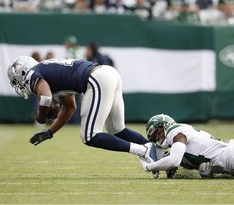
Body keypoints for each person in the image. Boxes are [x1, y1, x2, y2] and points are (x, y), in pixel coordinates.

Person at [7, 56, 157, 165]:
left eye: (16, 80)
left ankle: (143, 151)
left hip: (96, 78)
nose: (19, 85)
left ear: (22, 72)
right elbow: (70, 107)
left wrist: (41, 118)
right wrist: (50, 132)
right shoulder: (48, 70)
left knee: (89, 136)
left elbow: (45, 98)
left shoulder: (33, 74)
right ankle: (158, 153)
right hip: (108, 74)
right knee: (117, 129)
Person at [140, 114, 234, 179]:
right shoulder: (177, 148)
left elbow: (173, 161)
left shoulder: (176, 131)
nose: (158, 138)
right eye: (155, 138)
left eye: (157, 133)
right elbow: (202, 163)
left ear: (164, 126)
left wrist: (150, 167)